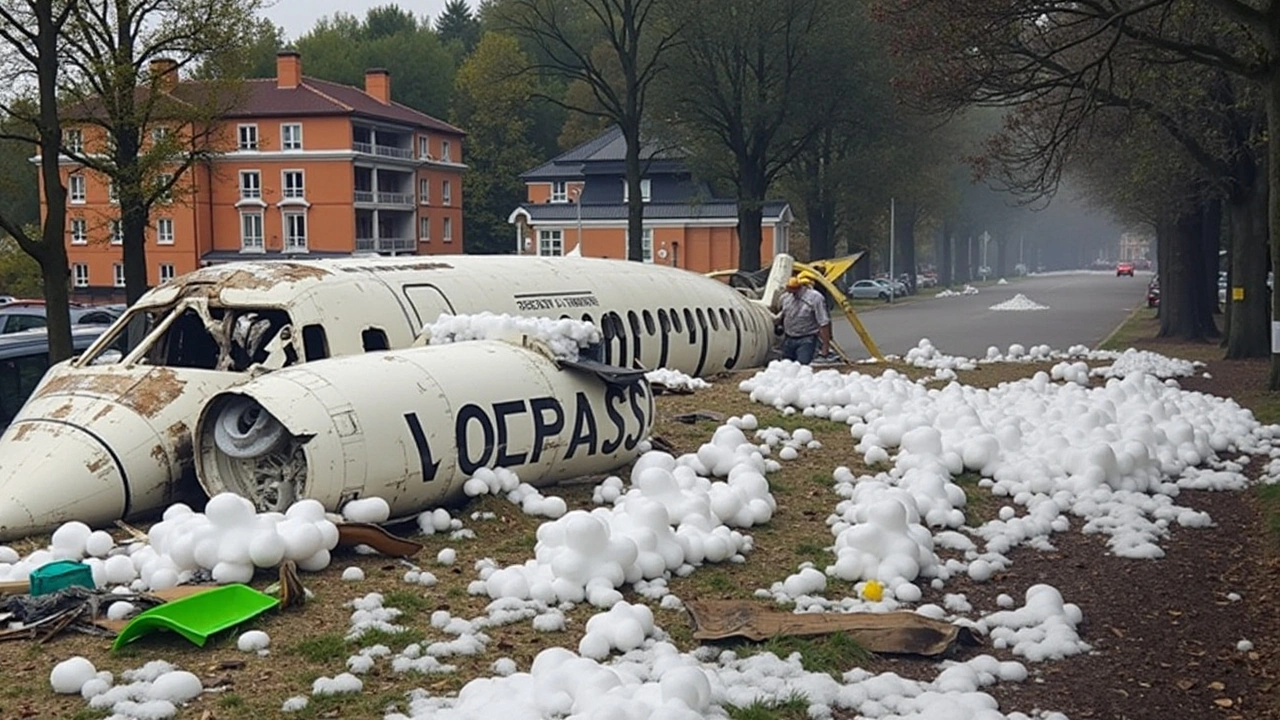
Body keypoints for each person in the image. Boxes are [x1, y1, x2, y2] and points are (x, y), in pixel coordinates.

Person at [778, 276, 832, 364]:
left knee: (802, 364)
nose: (791, 292)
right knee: (786, 365)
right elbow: (783, 315)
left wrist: (825, 346)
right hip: (789, 338)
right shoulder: (786, 298)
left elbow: (823, 322)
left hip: (807, 338)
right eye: (789, 289)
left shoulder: (815, 298)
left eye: (793, 290)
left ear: (800, 287)